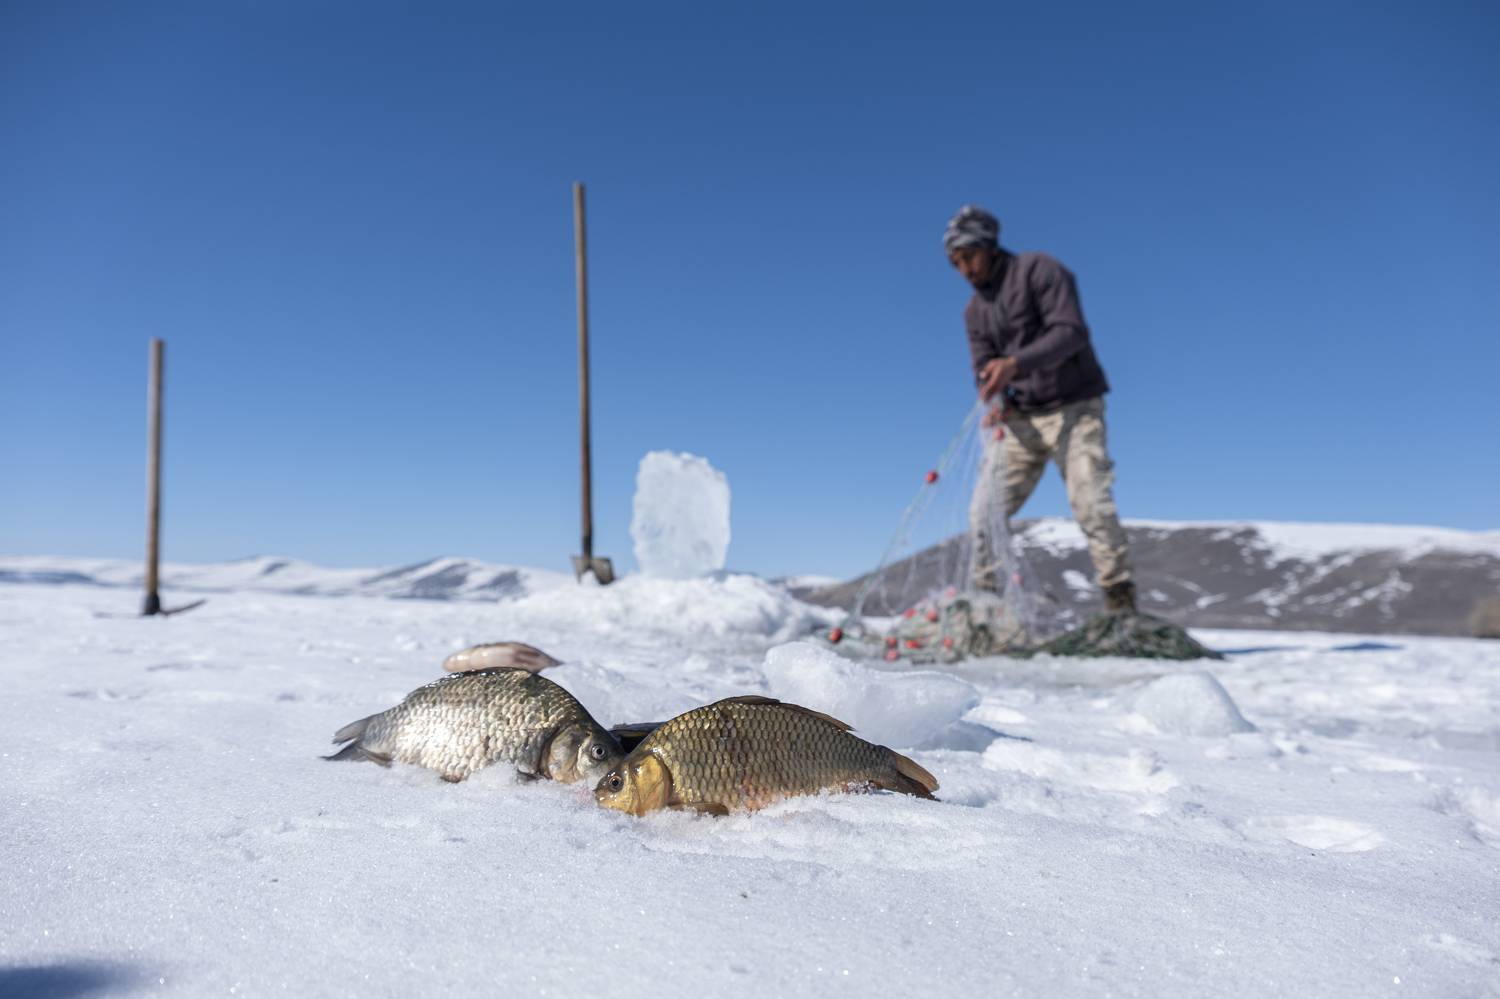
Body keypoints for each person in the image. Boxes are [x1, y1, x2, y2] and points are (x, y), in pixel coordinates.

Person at [944, 204, 1136, 614]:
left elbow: (1071, 332)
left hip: (1074, 409)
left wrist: (1015, 365)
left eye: (969, 257)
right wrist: (994, 396)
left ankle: (1120, 602)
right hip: (1021, 419)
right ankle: (988, 608)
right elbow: (983, 365)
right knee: (984, 513)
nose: (964, 270)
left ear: (988, 246)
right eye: (955, 263)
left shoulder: (1039, 271)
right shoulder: (974, 312)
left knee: (1091, 504)